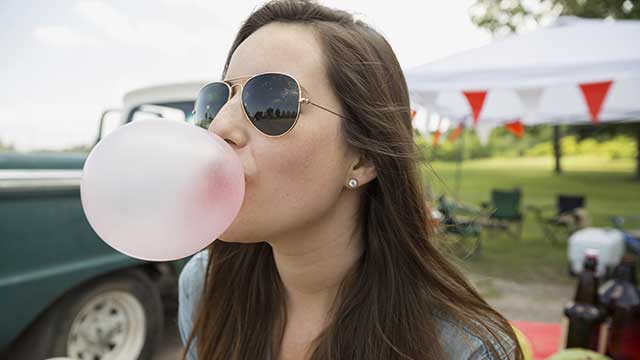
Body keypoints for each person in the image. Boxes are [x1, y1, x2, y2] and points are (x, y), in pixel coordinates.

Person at [178, 0, 522, 359]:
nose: (218, 128)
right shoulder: (204, 285)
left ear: (363, 159)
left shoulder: (465, 349)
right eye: (216, 101)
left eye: (270, 101)